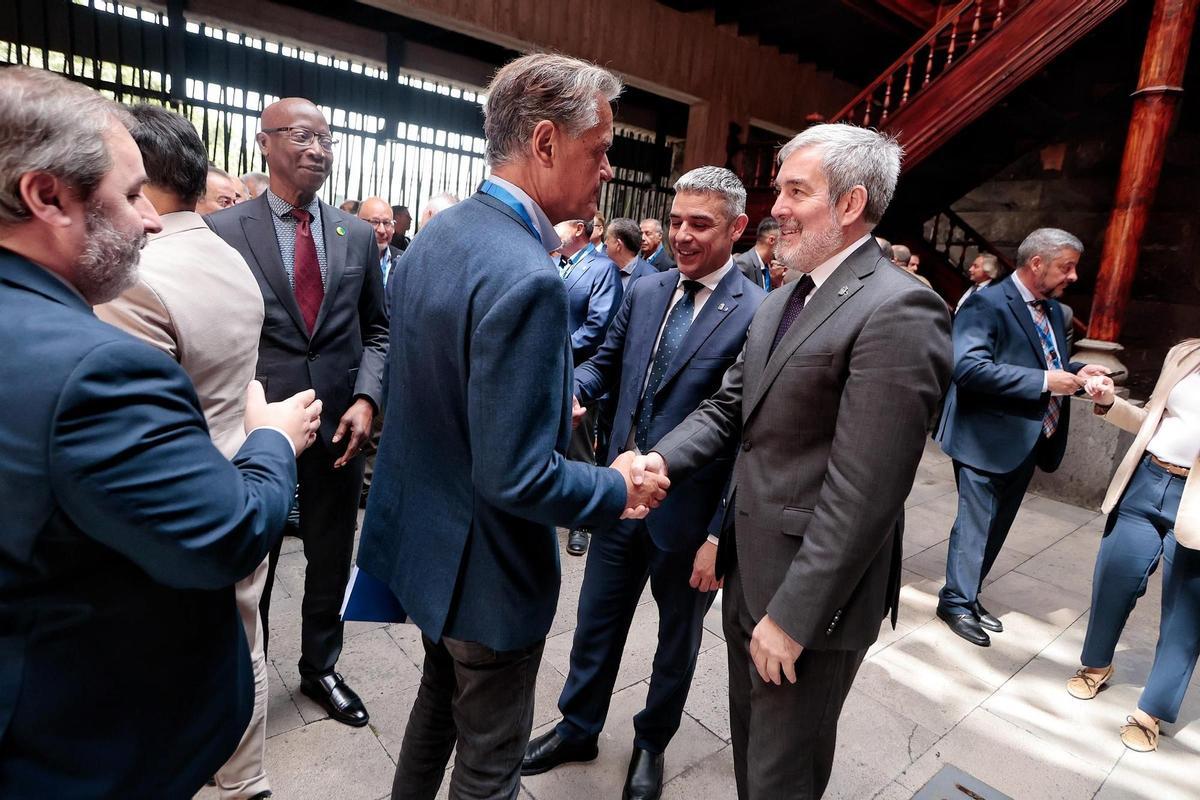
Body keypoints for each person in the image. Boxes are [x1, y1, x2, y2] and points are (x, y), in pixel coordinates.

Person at [356, 53, 669, 800]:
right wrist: (612, 482)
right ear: (546, 142)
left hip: (430, 546)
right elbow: (516, 475)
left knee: (435, 709)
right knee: (489, 767)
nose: (606, 172)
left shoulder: (442, 232)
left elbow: (435, 376)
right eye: (599, 151)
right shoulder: (528, 274)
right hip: (488, 568)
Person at [0, 67, 320, 798]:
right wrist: (270, 439)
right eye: (132, 194)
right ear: (47, 196)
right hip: (78, 745)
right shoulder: (96, 370)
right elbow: (230, 533)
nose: (151, 220)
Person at [623, 123, 952, 799]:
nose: (777, 207)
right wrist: (656, 462)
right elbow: (727, 410)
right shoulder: (785, 299)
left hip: (809, 602)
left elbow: (866, 491)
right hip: (753, 574)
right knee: (754, 761)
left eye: (796, 191)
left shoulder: (899, 309)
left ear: (851, 204)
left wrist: (796, 616)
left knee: (782, 779)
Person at [523, 167, 767, 800]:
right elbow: (608, 361)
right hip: (617, 500)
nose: (682, 236)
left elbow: (747, 432)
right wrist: (572, 393)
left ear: (738, 228)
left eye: (701, 225)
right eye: (677, 220)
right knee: (594, 621)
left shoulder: (759, 313)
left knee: (674, 643)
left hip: (691, 518)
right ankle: (579, 725)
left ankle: (651, 743)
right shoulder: (649, 288)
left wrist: (719, 535)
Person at [94, 103, 275, 800]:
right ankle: (243, 777)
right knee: (243, 643)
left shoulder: (139, 276)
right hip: (234, 473)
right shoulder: (225, 255)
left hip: (182, 507)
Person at [207, 98, 389, 728]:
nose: (317, 148)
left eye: (327, 138)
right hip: (261, 427)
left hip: (340, 428)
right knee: (253, 555)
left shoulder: (355, 233)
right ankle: (241, 677)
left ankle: (320, 668)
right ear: (264, 143)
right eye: (303, 135)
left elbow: (380, 330)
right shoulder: (228, 231)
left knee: (332, 554)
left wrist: (367, 398)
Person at [935, 228, 1107, 646]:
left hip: (1032, 437)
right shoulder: (985, 303)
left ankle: (968, 594)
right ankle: (955, 602)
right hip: (985, 436)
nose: (1073, 277)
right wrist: (1046, 380)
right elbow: (969, 369)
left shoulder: (1057, 313)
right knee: (976, 523)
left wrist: (1078, 368)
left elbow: (1045, 355)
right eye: (1066, 267)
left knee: (998, 523)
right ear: (1037, 264)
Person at [1067, 339, 1200, 752]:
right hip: (1145, 481)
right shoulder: (1184, 353)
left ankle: (1152, 711)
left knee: (1186, 612)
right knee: (1113, 578)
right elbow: (1152, 420)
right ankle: (1098, 663)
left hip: (1195, 503)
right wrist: (1109, 402)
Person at [559, 215, 622, 557]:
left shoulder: (603, 269)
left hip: (581, 368)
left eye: (560, 226)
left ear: (578, 229)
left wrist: (556, 346)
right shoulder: (556, 263)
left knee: (580, 448)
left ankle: (582, 523)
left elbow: (598, 326)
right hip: (551, 368)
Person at [359, 196, 402, 307]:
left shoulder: (403, 261)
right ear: (357, 222)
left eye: (387, 223)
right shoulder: (346, 260)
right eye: (375, 222)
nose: (382, 230)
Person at [605, 217, 657, 292]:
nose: (605, 243)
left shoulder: (650, 277)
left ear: (618, 245)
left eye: (608, 238)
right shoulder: (606, 269)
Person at [733, 216, 780, 291]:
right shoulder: (743, 264)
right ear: (771, 240)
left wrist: (776, 282)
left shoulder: (768, 267)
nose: (783, 246)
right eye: (781, 241)